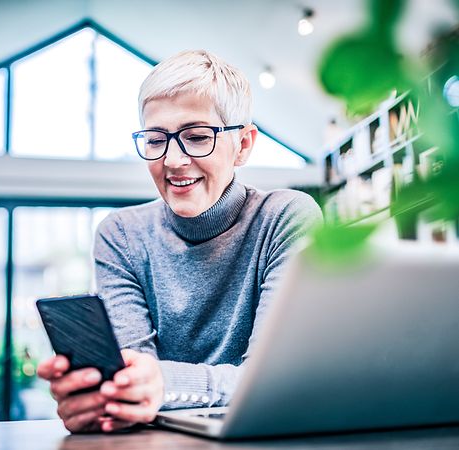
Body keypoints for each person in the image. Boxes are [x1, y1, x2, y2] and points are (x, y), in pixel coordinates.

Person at [37, 50, 322, 433]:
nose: (172, 160)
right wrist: (104, 397)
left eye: (197, 137)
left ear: (244, 144)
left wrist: (164, 384)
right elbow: (133, 377)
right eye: (156, 140)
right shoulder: (121, 235)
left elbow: (273, 378)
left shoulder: (284, 218)